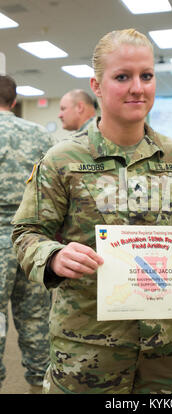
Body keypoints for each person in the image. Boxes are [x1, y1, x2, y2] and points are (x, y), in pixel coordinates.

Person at [12, 29, 172, 395]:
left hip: (167, 349)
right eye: (123, 77)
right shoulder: (63, 160)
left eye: (146, 76)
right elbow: (26, 233)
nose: (138, 87)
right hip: (88, 348)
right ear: (97, 86)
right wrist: (53, 256)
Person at [0, 75, 53, 393]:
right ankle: (40, 383)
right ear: (15, 101)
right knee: (36, 318)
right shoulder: (40, 135)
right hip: (32, 237)